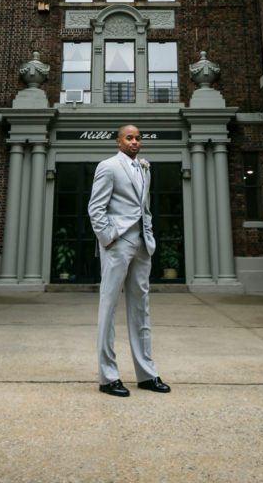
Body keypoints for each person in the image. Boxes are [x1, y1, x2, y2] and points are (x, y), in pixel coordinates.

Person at [87, 124, 171, 397]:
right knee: (108, 308)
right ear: (118, 141)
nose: (135, 142)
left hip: (142, 246)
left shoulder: (144, 168)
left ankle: (146, 374)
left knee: (140, 309)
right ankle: (108, 376)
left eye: (138, 138)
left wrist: (149, 235)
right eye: (129, 138)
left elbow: (143, 207)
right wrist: (108, 238)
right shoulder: (108, 167)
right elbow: (96, 207)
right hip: (118, 244)